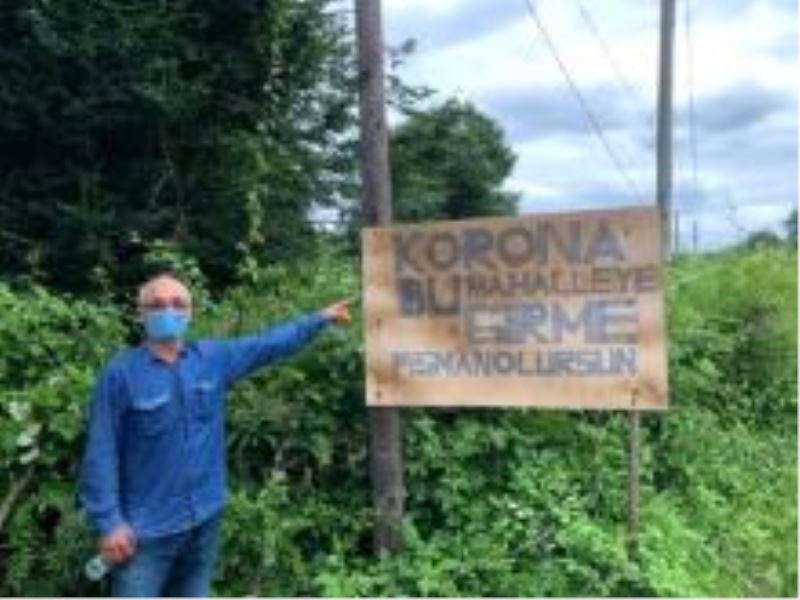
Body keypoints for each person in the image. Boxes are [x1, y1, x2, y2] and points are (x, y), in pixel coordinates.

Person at [78, 273, 351, 597]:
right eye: (157, 305)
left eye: (178, 304)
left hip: (204, 520)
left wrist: (320, 319)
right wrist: (109, 524)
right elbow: (100, 453)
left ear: (190, 313)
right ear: (141, 313)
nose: (168, 311)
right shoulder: (119, 374)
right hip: (146, 533)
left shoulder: (211, 359)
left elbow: (268, 344)